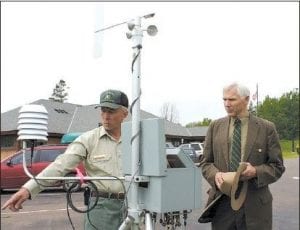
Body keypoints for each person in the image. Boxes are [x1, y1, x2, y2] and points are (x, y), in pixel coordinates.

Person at [2, 89, 129, 230]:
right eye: (103, 111)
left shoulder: (136, 140)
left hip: (133, 206)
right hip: (101, 208)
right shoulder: (88, 140)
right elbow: (61, 165)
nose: (105, 116)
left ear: (124, 114)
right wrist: (28, 189)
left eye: (111, 111)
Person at [199, 82, 285, 230]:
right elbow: (205, 162)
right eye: (224, 100)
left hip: (255, 207)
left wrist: (256, 172)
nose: (227, 104)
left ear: (246, 99)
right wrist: (216, 175)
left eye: (231, 100)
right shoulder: (215, 126)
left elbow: (277, 166)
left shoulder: (266, 128)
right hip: (222, 205)